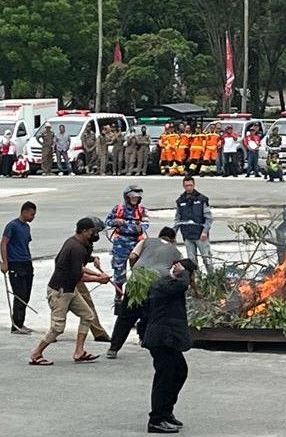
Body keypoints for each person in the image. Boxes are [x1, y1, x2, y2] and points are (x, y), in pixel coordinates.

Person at [28, 218, 111, 366]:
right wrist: (98, 279)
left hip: (70, 289)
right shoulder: (76, 247)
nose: (95, 235)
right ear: (84, 231)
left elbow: (78, 265)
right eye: (93, 232)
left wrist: (94, 261)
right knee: (57, 328)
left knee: (88, 316)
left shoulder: (75, 243)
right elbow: (78, 274)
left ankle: (79, 351)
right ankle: (36, 353)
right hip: (60, 291)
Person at [107, 226, 182, 360]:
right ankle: (146, 341)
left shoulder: (146, 241)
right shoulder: (175, 251)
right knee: (150, 314)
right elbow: (178, 270)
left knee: (126, 316)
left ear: (160, 235)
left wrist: (134, 270)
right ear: (173, 239)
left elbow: (132, 256)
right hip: (157, 284)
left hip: (137, 280)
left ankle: (113, 348)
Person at [144, 258, 198, 434]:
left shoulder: (170, 283)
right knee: (165, 377)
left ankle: (166, 413)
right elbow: (181, 285)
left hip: (168, 339)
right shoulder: (164, 283)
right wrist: (183, 271)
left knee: (179, 372)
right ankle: (157, 419)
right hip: (161, 339)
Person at [1, 201, 36, 334]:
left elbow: (26, 244)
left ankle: (21, 323)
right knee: (19, 295)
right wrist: (5, 262)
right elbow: (4, 243)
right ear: (25, 211)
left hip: (27, 262)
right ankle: (15, 326)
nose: (33, 217)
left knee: (26, 295)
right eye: (32, 214)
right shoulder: (12, 226)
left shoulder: (26, 227)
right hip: (15, 263)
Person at [106, 184, 150, 287]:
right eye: (133, 197)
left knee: (138, 270)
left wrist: (139, 228)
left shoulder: (142, 210)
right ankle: (118, 296)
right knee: (119, 271)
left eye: (137, 197)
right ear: (127, 197)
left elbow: (146, 223)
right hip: (120, 243)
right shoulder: (118, 208)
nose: (135, 199)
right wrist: (115, 221)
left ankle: (136, 295)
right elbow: (107, 222)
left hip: (136, 243)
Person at [173, 176, 213, 273]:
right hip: (187, 235)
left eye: (190, 185)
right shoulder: (180, 201)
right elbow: (178, 219)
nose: (189, 188)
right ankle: (197, 280)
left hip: (200, 235)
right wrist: (173, 234)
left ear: (194, 185)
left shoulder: (202, 199)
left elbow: (209, 218)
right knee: (192, 260)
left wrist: (205, 231)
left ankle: (212, 277)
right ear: (183, 186)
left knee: (206, 258)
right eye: (186, 186)